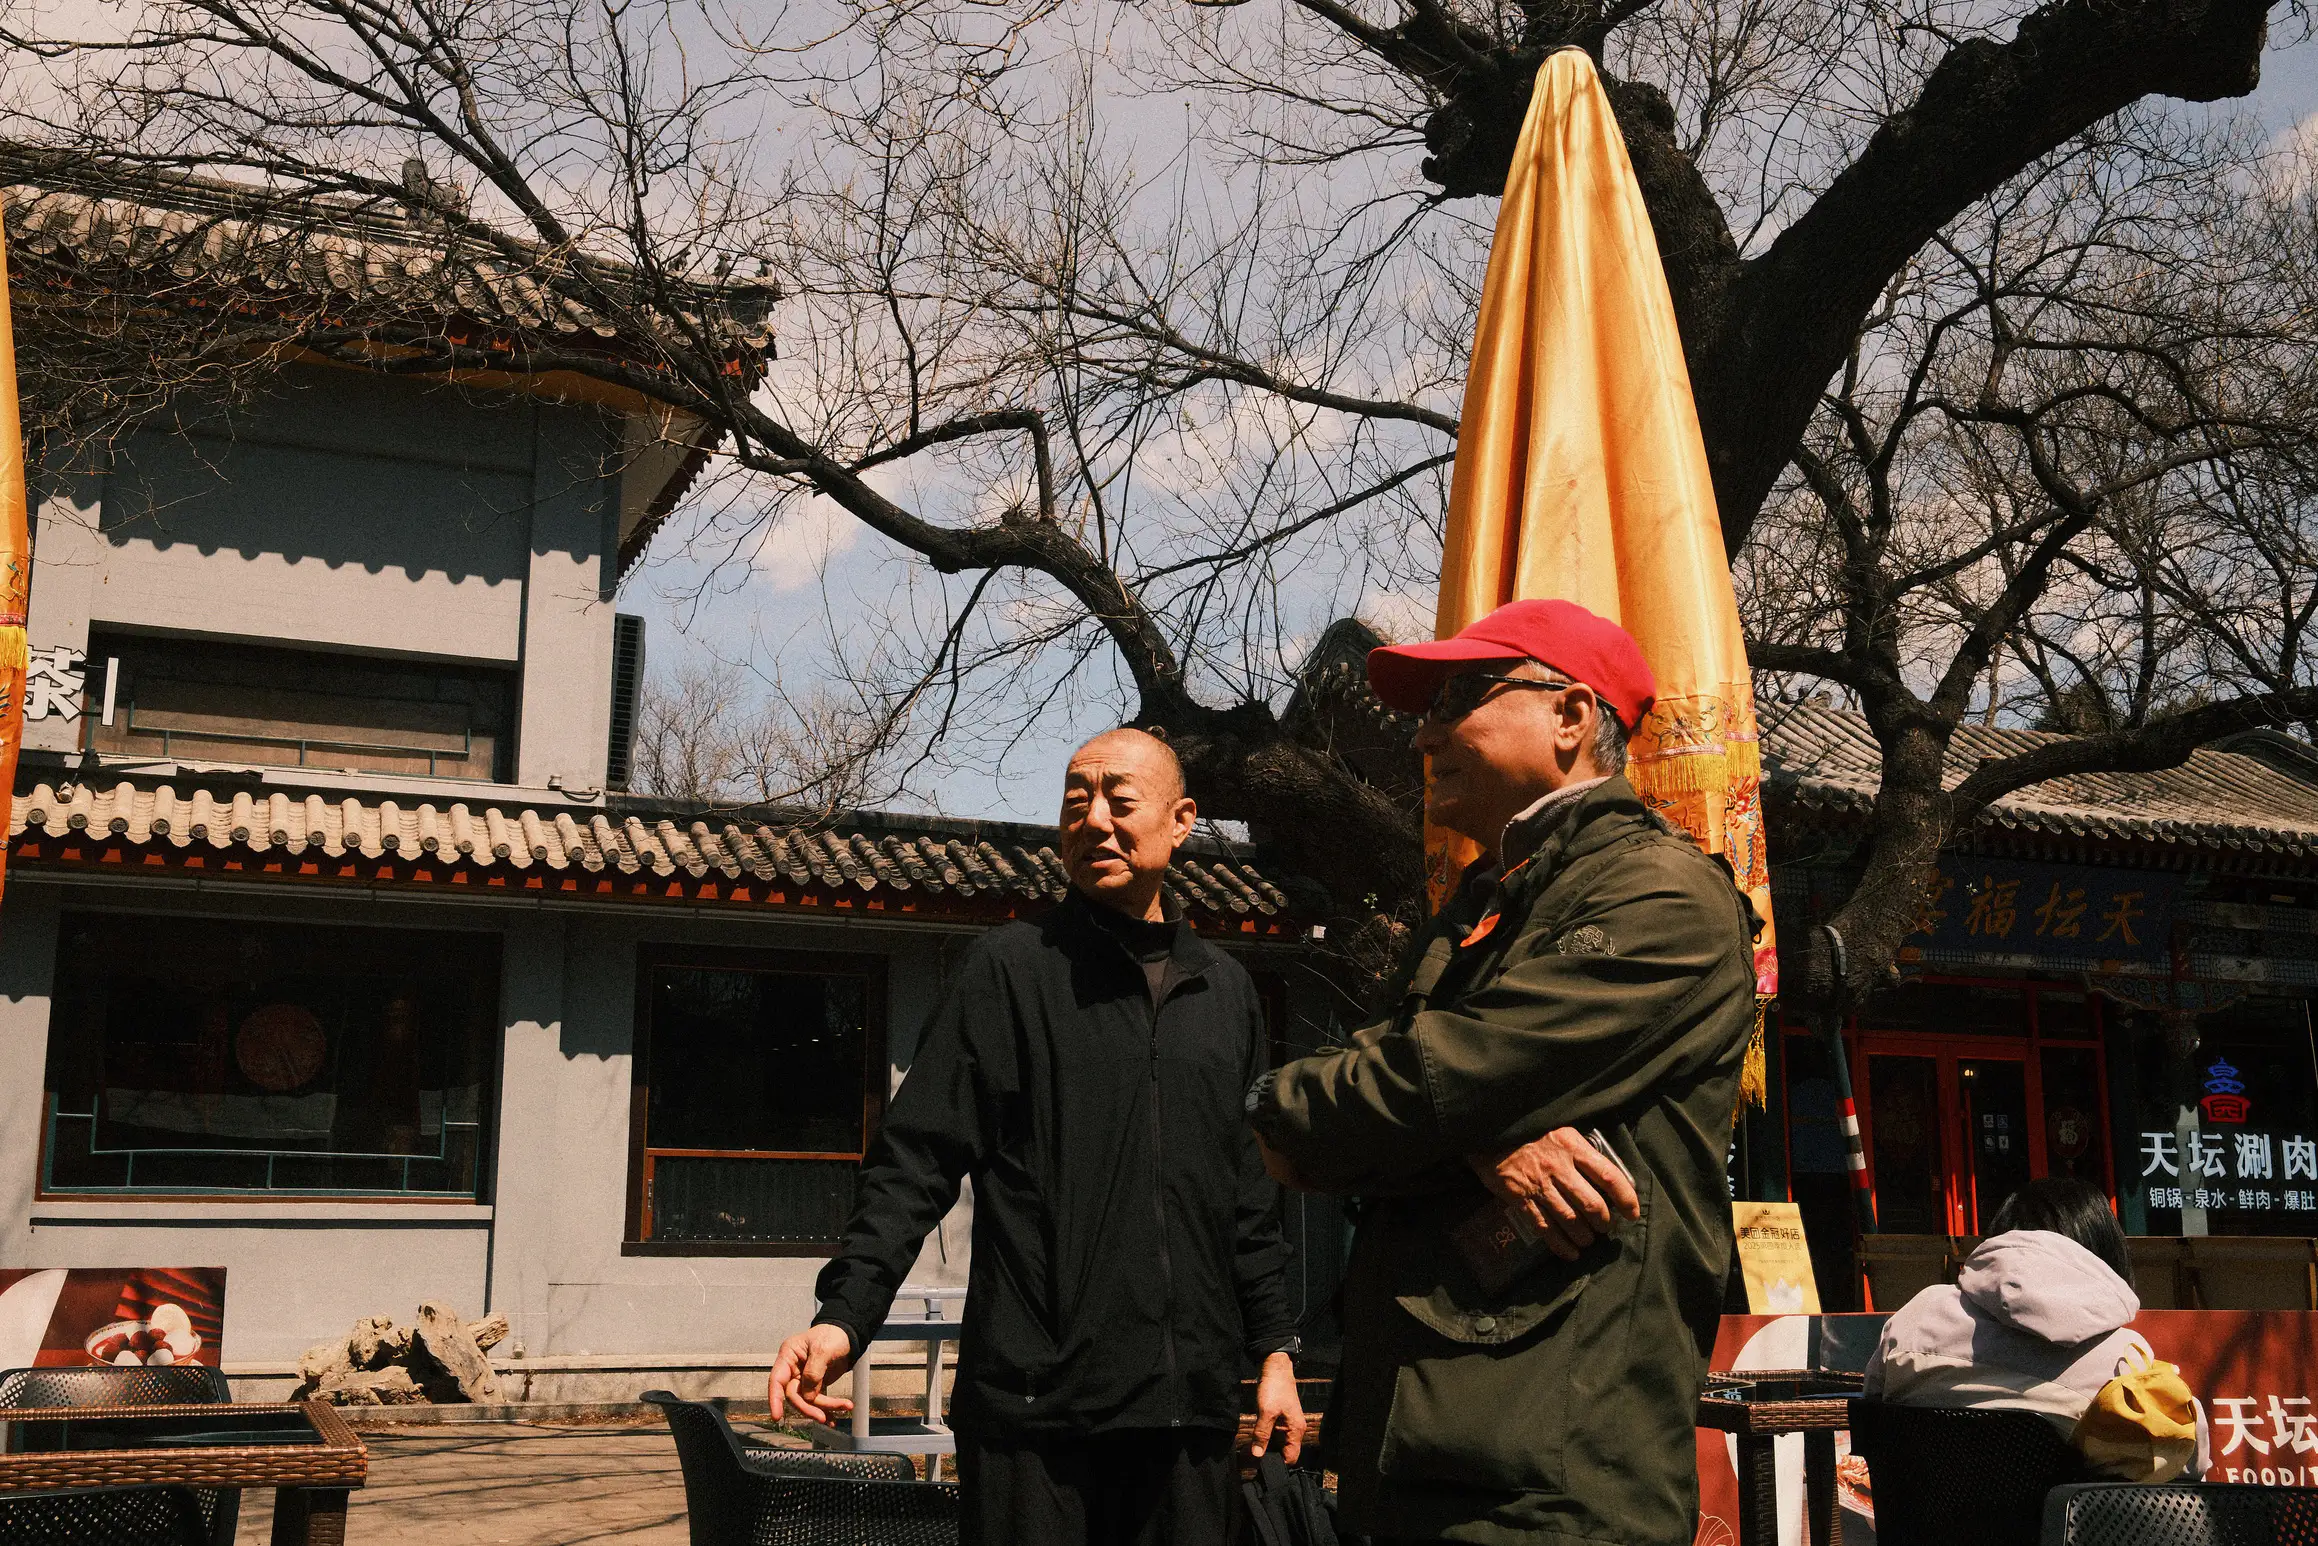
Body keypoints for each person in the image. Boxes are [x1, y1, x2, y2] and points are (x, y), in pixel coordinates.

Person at [1247, 597, 1760, 1546]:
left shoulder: (1661, 895)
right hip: (1420, 1452)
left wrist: (1393, 1112)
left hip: (1550, 1479)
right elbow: (1367, 1097)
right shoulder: (1488, 898)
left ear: (1571, 716)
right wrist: (1483, 1134)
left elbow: (1404, 1089)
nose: (1425, 733)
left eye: (1461, 697)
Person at [768, 728, 1307, 1546]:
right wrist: (846, 1315)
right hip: (1034, 1418)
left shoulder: (1226, 994)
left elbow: (1248, 1197)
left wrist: (1273, 1353)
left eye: (1120, 801)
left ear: (1182, 819)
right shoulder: (1010, 971)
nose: (1093, 820)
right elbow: (915, 1159)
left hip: (1187, 1414)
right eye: (1074, 801)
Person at [1865, 1177, 2204, 1481]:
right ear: (2107, 1252)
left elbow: (1872, 1418)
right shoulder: (2126, 1360)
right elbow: (2190, 1463)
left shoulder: (1915, 1317)